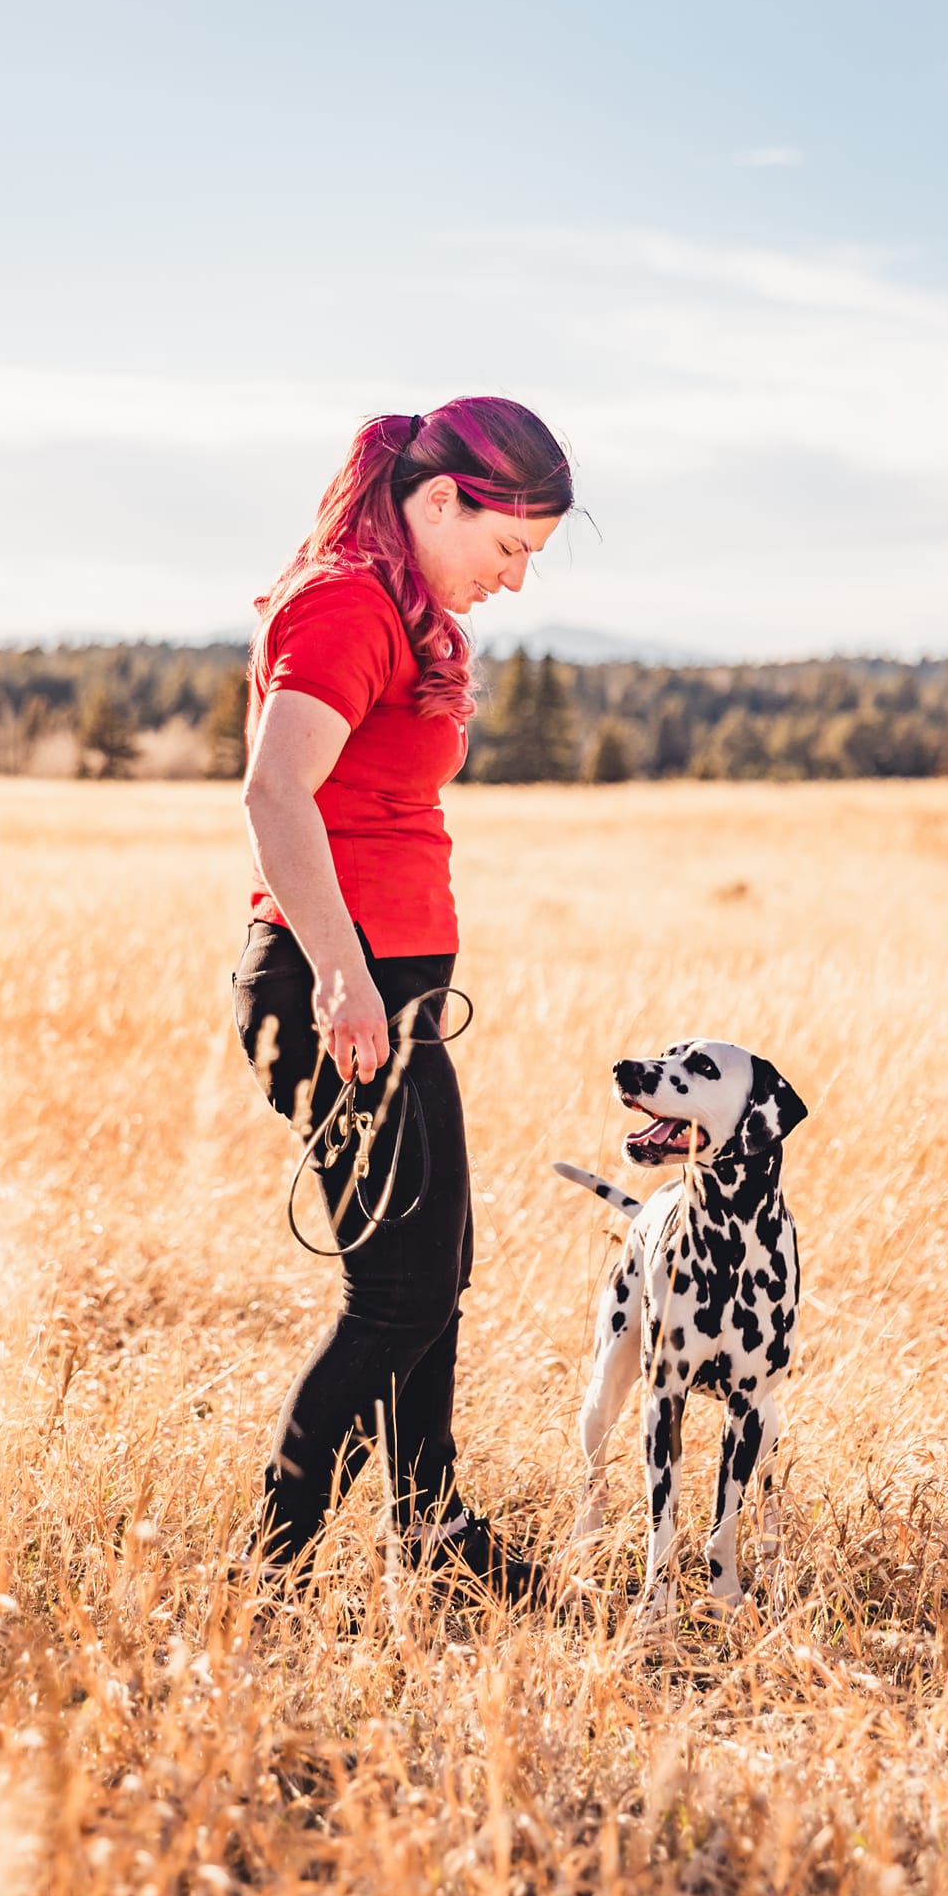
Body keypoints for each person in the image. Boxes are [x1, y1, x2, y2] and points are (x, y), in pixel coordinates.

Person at [232, 397, 574, 1599]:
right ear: (441, 502)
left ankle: (430, 1526)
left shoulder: (397, 604)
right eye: (508, 546)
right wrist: (341, 973)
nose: (516, 580)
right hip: (341, 989)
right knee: (399, 1290)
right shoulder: (344, 603)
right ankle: (263, 1574)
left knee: (440, 1264)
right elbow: (276, 796)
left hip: (386, 988)